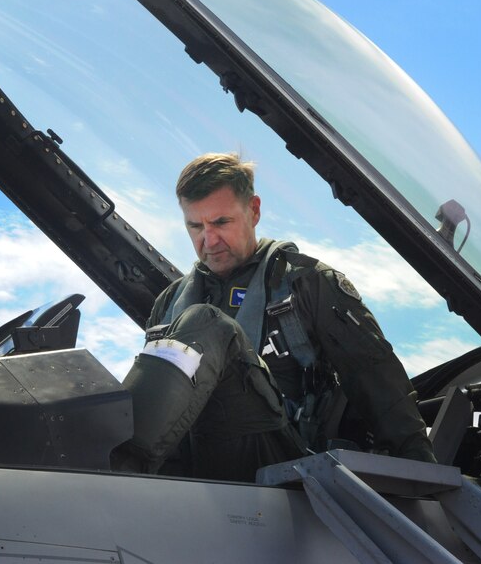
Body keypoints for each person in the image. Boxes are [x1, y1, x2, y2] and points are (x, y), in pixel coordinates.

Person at [114, 153, 434, 482]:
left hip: (277, 462)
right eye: (195, 226)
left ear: (253, 211)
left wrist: (426, 483)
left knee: (205, 323)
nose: (208, 240)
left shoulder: (305, 284)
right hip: (187, 461)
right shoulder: (169, 303)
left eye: (221, 222)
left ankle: (116, 476)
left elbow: (378, 381)